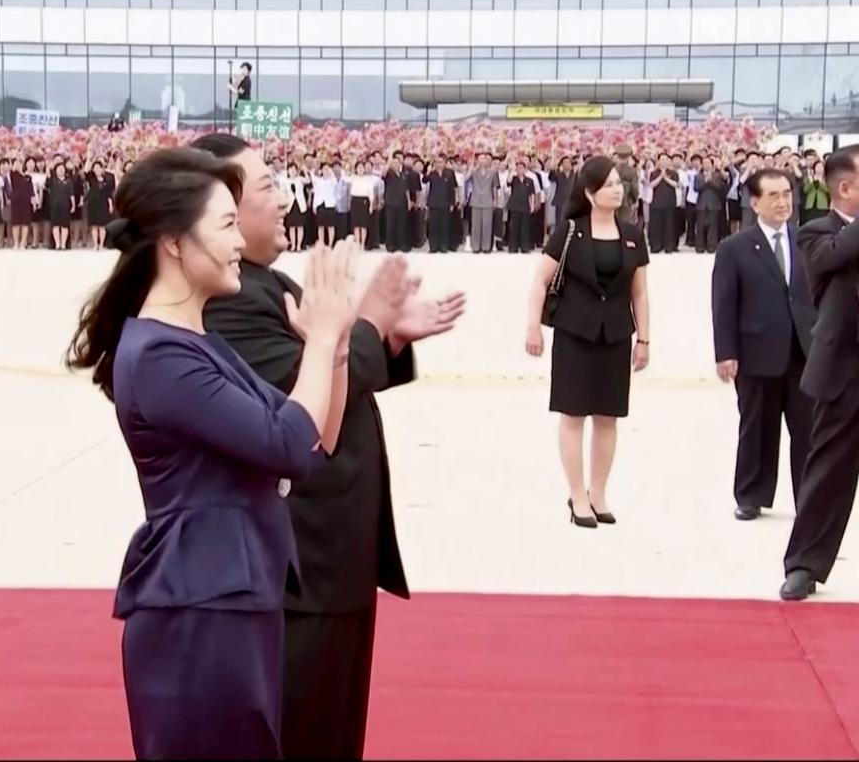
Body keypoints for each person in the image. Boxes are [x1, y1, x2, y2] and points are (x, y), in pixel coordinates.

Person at [67, 148, 355, 758]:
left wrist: (331, 350)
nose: (238, 242)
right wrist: (322, 339)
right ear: (175, 242)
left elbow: (312, 441)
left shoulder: (197, 342)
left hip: (231, 599)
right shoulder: (161, 356)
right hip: (199, 608)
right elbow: (287, 444)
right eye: (225, 225)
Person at [192, 133, 465, 760]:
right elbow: (303, 394)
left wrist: (382, 336)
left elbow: (340, 364)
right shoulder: (229, 303)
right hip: (300, 571)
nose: (284, 200)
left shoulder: (269, 283)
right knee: (304, 732)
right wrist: (366, 324)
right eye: (267, 189)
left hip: (334, 562)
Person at [525, 155, 651, 528]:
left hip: (615, 335)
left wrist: (644, 339)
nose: (617, 190)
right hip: (575, 333)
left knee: (608, 417)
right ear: (590, 193)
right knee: (574, 415)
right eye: (608, 184)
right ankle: (577, 494)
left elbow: (640, 292)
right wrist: (532, 327)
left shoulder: (633, 235)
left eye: (618, 183)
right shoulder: (569, 231)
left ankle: (598, 492)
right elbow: (540, 280)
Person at [711, 168, 816, 522]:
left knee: (809, 430)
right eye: (774, 195)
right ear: (755, 203)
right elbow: (723, 304)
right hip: (756, 352)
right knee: (757, 427)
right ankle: (750, 495)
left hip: (805, 351)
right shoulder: (734, 248)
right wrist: (726, 352)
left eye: (787, 193)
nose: (783, 201)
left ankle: (810, 498)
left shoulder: (807, 241)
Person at [779, 144, 859, 601]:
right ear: (845, 188)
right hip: (843, 371)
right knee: (828, 473)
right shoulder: (816, 233)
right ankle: (804, 564)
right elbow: (835, 256)